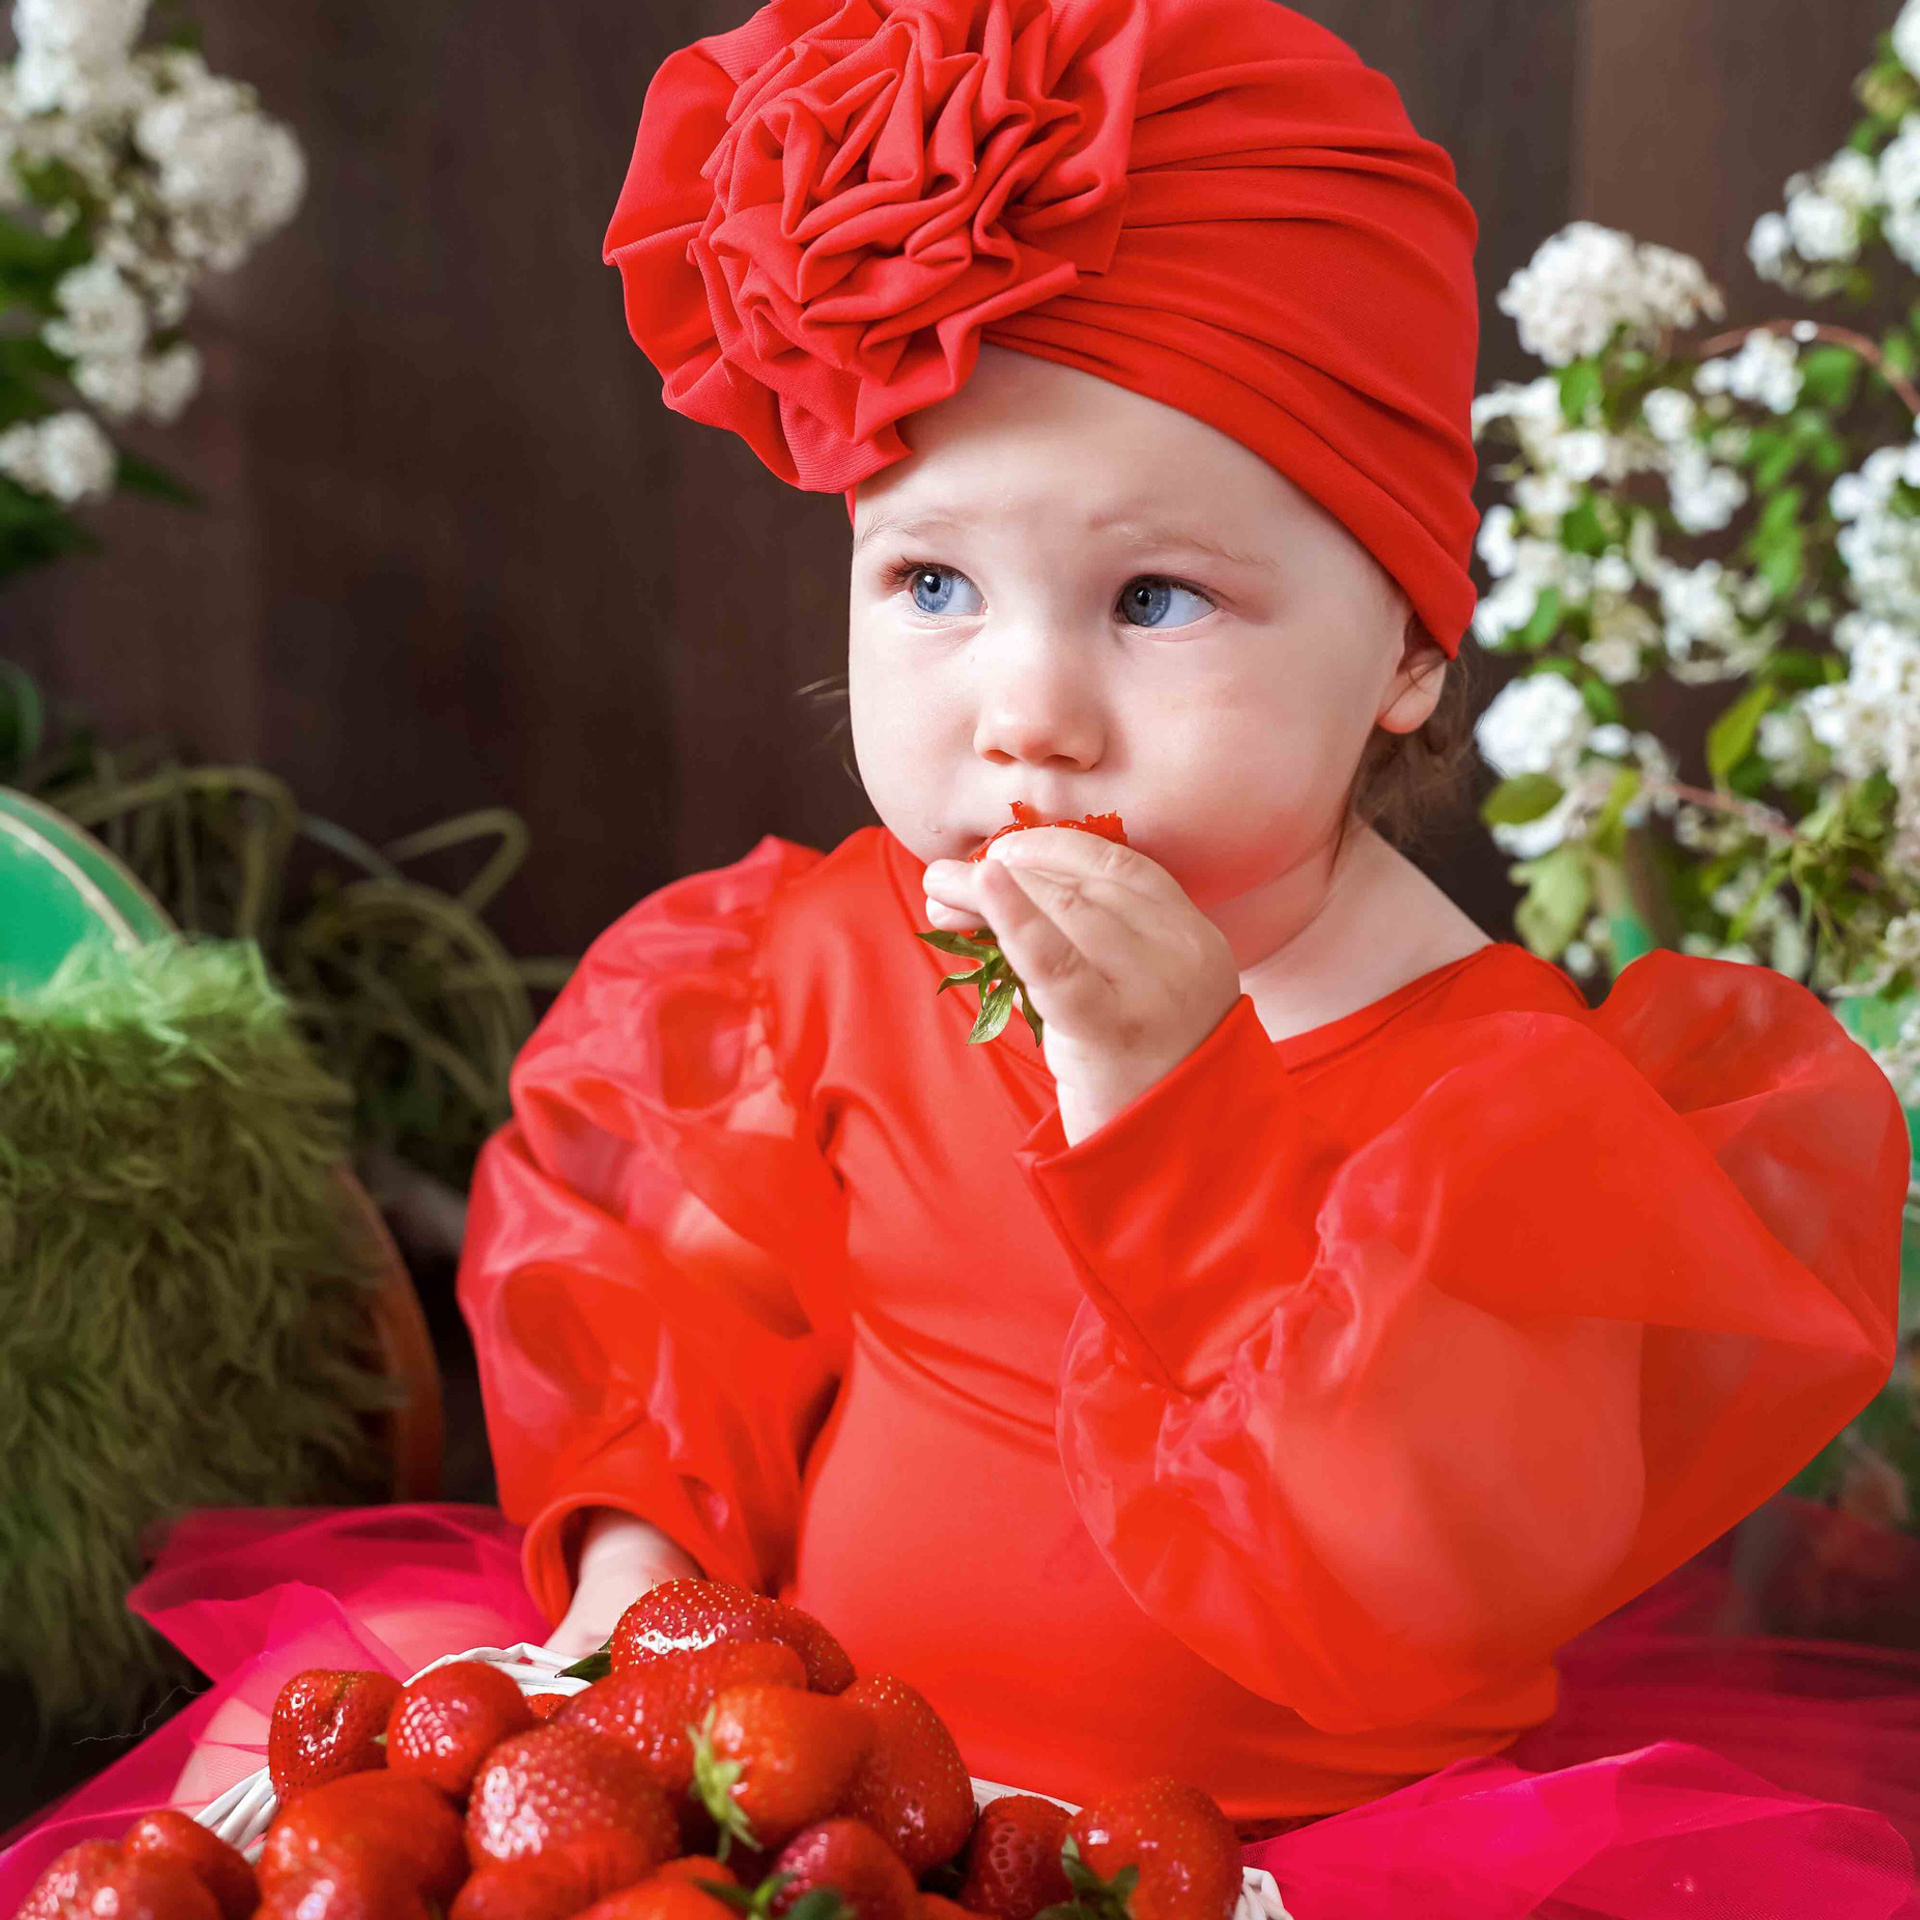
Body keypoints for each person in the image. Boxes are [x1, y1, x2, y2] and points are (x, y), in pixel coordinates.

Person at [3, 3, 1915, 1916]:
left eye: (1156, 597)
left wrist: (1179, 1107)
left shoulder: (1505, 1111)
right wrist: (637, 1590)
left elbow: (1419, 1567)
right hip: (834, 1824)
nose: (1028, 711)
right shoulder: (827, 956)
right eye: (933, 582)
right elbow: (696, 1313)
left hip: (1291, 1866)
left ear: (1410, 645)